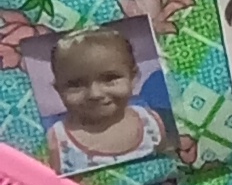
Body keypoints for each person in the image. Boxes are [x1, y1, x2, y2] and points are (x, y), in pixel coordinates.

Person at [45, 18, 170, 172]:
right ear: (58, 90)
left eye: (110, 78)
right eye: (76, 84)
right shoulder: (57, 142)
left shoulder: (151, 122)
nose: (95, 94)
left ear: (133, 78)